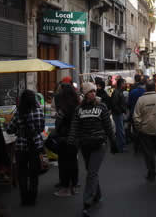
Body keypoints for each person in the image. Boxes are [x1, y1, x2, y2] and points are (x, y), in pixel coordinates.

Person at [68, 82, 119, 216]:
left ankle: (87, 202)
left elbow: (108, 126)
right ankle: (97, 195)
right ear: (85, 94)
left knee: (91, 173)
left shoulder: (102, 107)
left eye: (94, 91)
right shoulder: (78, 109)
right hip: (85, 145)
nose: (93, 94)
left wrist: (113, 142)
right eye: (90, 92)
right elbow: (74, 127)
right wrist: (71, 143)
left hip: (99, 145)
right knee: (91, 171)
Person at [6, 90, 44, 206]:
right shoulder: (39, 111)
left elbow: (9, 129)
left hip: (21, 146)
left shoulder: (18, 113)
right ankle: (33, 197)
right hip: (35, 145)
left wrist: (19, 130)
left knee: (22, 173)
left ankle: (24, 198)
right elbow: (41, 128)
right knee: (34, 173)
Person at [53, 83, 80, 197]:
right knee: (73, 161)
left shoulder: (63, 108)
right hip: (74, 138)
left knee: (63, 162)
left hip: (64, 137)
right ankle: (74, 185)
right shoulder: (77, 106)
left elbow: (58, 123)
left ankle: (65, 188)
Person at [110, 78, 127, 153]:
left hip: (118, 113)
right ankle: (121, 147)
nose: (125, 84)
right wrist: (120, 111)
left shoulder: (118, 91)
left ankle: (120, 146)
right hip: (117, 114)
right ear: (121, 84)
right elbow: (114, 104)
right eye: (124, 83)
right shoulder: (116, 92)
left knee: (120, 130)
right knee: (120, 130)